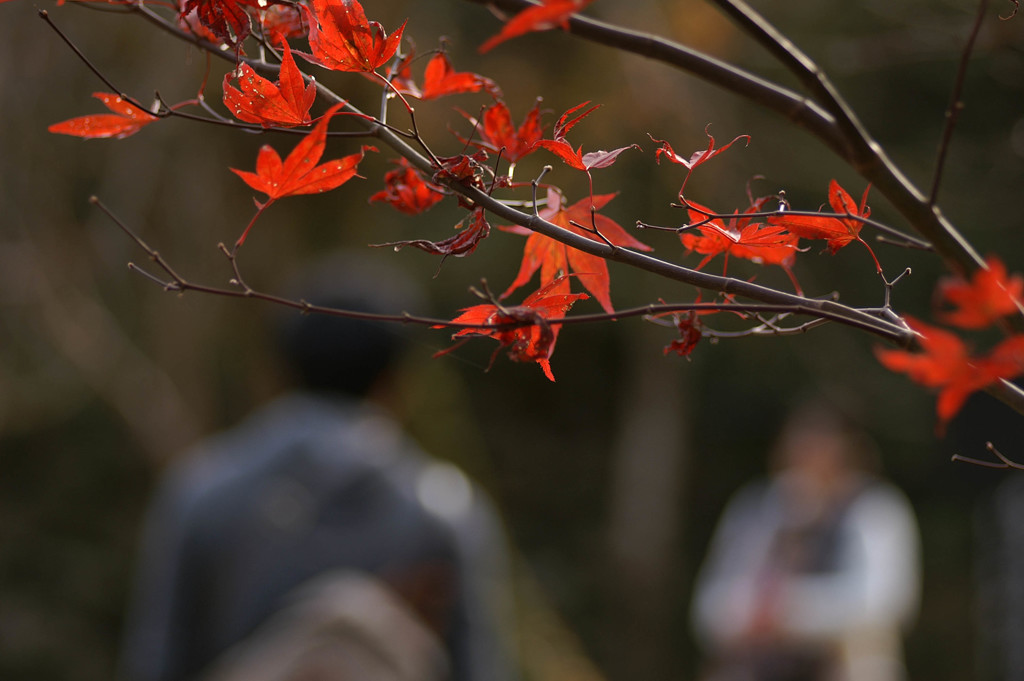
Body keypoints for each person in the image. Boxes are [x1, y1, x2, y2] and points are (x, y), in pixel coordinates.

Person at [118, 255, 518, 681]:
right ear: (395, 379)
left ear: (279, 369)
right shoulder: (442, 510)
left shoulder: (203, 489)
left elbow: (156, 661)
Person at [690, 403, 921, 681]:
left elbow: (884, 605)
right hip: (758, 661)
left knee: (870, 664)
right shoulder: (757, 508)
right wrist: (750, 616)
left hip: (840, 662)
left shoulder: (876, 509)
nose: (810, 456)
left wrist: (791, 614)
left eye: (823, 446)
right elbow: (708, 606)